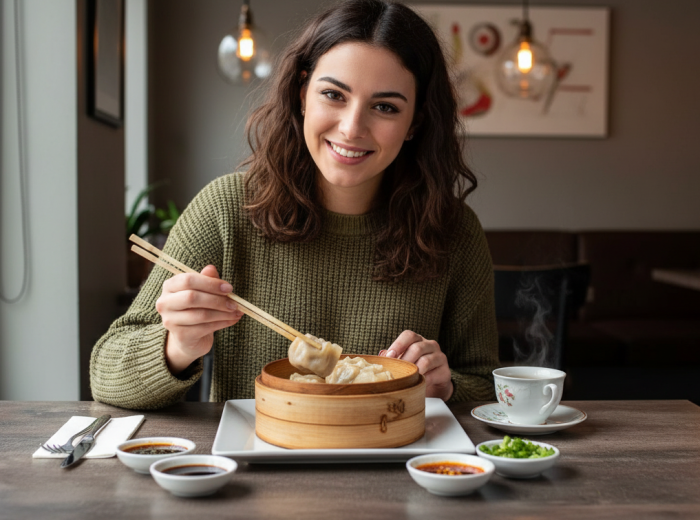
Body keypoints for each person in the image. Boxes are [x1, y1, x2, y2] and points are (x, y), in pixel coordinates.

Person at [90, 0, 500, 410]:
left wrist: (446, 386)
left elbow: (484, 384)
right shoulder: (226, 209)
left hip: (394, 465)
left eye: (385, 107)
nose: (352, 127)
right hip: (256, 464)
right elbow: (106, 376)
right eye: (333, 95)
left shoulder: (454, 230)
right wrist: (175, 345)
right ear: (302, 93)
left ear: (416, 123)